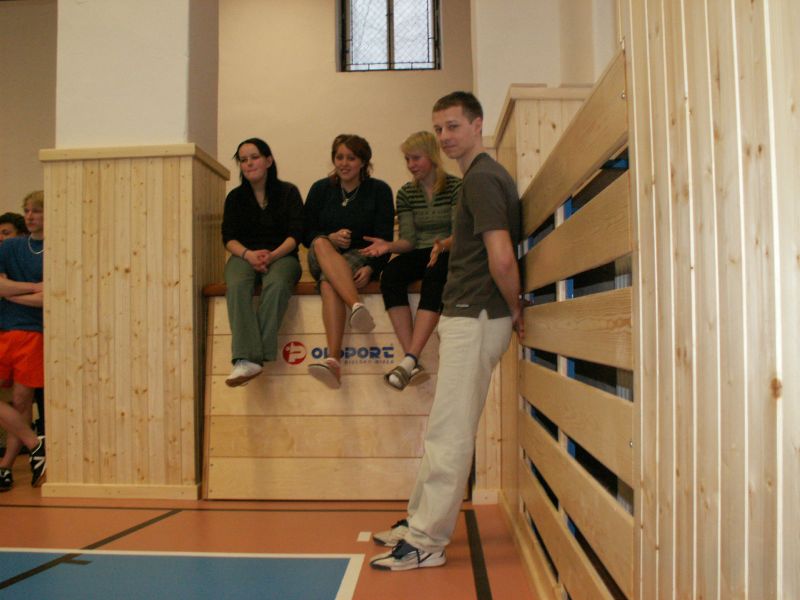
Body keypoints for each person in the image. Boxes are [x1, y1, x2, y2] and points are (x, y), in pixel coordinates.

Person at [370, 92, 523, 570]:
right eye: (438, 129)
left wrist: (515, 307)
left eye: (453, 126)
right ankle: (418, 522)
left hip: (477, 316)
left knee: (451, 434)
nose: (444, 136)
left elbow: (502, 256)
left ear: (477, 125)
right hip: (467, 314)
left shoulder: (481, 179)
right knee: (442, 429)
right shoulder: (478, 178)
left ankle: (427, 541)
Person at [360, 131, 461, 390]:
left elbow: (460, 232)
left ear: (432, 156)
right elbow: (408, 241)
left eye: (416, 158)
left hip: (449, 249)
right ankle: (411, 360)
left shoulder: (455, 187)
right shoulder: (406, 193)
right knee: (391, 275)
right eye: (407, 159)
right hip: (422, 250)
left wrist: (442, 245)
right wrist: (388, 246)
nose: (411, 164)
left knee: (436, 274)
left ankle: (410, 358)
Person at [303, 134, 394, 389]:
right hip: (321, 252)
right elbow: (305, 232)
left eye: (351, 158)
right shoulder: (320, 189)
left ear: (363, 161)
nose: (344, 163)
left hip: (361, 254)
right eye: (339, 157)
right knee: (320, 242)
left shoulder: (379, 190)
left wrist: (372, 268)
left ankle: (333, 360)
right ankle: (356, 305)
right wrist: (330, 236)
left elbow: (384, 240)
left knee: (328, 283)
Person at [222, 138, 304, 387]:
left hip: (282, 255)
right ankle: (249, 359)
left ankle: (249, 358)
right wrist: (248, 255)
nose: (248, 163)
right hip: (244, 255)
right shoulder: (235, 197)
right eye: (243, 160)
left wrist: (273, 255)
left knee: (277, 283)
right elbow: (228, 238)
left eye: (254, 157)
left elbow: (296, 234)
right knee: (236, 285)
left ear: (268, 160)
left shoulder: (288, 192)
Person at [0, 191, 47, 491]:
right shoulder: (10, 247)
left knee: (21, 401)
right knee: (15, 403)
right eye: (27, 210)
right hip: (4, 330)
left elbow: (49, 297)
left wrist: (13, 293)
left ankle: (5, 466)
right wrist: (31, 287)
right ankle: (34, 443)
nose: (30, 216)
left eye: (37, 211)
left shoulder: (55, 249)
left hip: (33, 332)